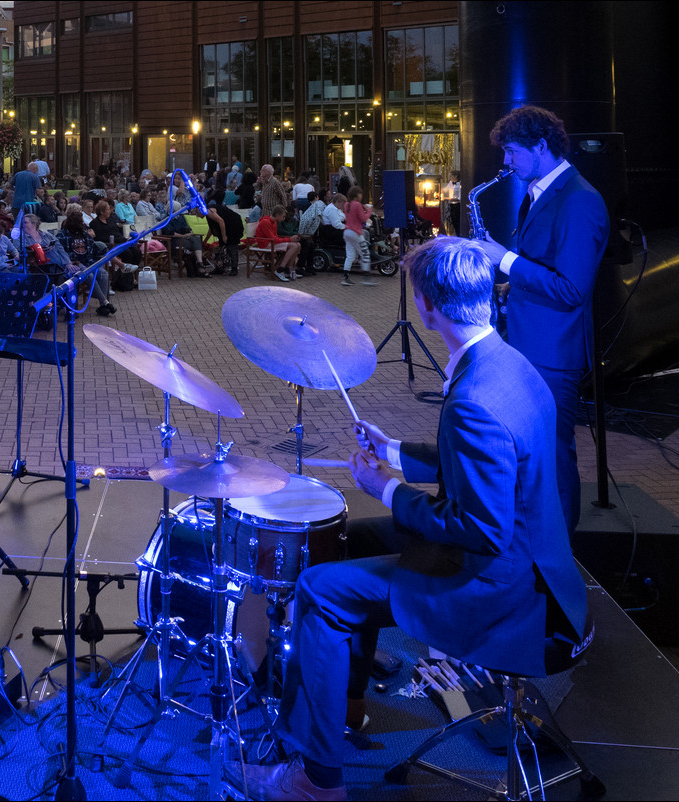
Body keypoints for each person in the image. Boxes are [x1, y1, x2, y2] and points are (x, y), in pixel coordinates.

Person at [234, 237, 588, 802]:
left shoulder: (474, 398)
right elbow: (484, 460)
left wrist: (388, 487)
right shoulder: (508, 362)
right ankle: (343, 700)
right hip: (537, 564)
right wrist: (394, 449)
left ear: (426, 305)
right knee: (348, 540)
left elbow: (481, 529)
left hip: (496, 588)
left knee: (317, 588)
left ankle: (315, 781)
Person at [476, 105, 609, 534]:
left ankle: (561, 558)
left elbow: (572, 289)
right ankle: (534, 545)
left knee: (552, 454)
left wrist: (507, 261)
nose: (506, 162)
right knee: (531, 450)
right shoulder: (544, 193)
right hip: (531, 345)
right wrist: (507, 289)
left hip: (553, 354)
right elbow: (547, 269)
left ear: (540, 146)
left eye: (512, 152)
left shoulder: (580, 200)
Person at [57, 207, 116, 316]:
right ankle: (105, 302)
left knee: (103, 274)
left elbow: (93, 248)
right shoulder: (62, 235)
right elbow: (61, 252)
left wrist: (105, 250)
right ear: (74, 222)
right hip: (73, 265)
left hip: (88, 263)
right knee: (88, 274)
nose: (83, 223)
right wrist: (72, 260)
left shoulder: (84, 234)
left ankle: (102, 306)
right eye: (81, 221)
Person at [250, 204, 302, 281]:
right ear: (277, 215)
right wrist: (289, 239)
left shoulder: (273, 222)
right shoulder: (266, 222)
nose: (284, 218)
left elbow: (275, 238)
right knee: (294, 246)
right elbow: (274, 239)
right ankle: (281, 268)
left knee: (298, 244)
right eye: (283, 216)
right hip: (266, 244)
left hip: (271, 242)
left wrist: (289, 239)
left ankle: (289, 268)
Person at [341, 186, 376, 287]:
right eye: (360, 194)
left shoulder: (347, 204)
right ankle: (366, 277)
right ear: (357, 195)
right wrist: (369, 211)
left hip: (347, 232)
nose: (362, 195)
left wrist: (363, 208)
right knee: (365, 254)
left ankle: (346, 277)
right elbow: (363, 219)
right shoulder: (357, 204)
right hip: (355, 232)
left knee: (350, 255)